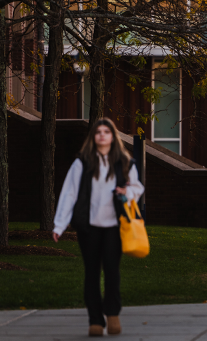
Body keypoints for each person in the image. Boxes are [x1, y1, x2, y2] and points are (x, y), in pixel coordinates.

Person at [52, 118, 144, 336]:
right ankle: (95, 320)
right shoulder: (81, 163)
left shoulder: (125, 162)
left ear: (113, 136)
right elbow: (69, 194)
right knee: (91, 273)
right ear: (93, 137)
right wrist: (59, 225)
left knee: (112, 271)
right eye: (98, 132)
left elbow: (137, 188)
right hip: (89, 227)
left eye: (107, 131)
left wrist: (126, 192)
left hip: (115, 226)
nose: (102, 135)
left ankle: (112, 315)